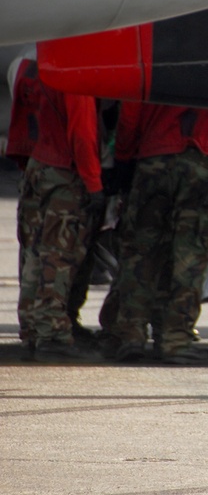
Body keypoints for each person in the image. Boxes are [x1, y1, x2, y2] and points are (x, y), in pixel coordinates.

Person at [109, 104, 208, 365]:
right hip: (202, 163)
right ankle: (175, 339)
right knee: (190, 256)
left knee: (141, 253)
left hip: (152, 162)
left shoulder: (154, 61)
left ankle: (130, 335)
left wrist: (124, 159)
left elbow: (130, 116)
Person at [12, 53, 105, 362]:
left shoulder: (33, 68)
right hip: (64, 172)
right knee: (59, 254)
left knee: (36, 252)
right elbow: (81, 133)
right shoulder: (76, 74)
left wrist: (26, 162)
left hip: (38, 166)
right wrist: (93, 183)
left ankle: (34, 329)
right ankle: (52, 333)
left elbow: (21, 121)